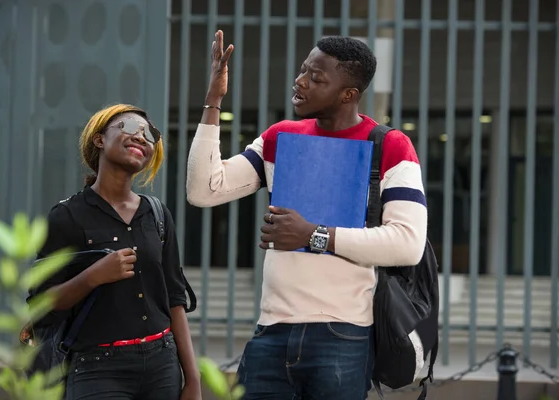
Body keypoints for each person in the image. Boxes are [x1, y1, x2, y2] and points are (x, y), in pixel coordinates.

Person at [186, 31, 427, 399]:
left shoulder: (390, 145)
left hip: (343, 336)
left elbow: (407, 244)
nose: (300, 82)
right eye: (303, 71)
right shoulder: (280, 137)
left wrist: (314, 235)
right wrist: (213, 102)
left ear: (349, 94)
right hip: (271, 332)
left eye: (317, 78)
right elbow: (204, 190)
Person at [32, 104, 201, 400]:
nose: (141, 137)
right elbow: (41, 304)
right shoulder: (66, 216)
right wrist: (92, 276)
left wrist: (193, 379)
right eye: (128, 127)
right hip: (97, 369)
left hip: (162, 366)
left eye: (149, 134)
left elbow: (175, 299)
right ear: (99, 139)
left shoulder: (158, 214)